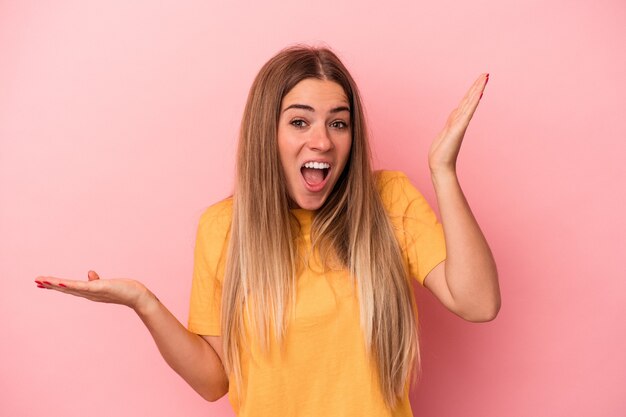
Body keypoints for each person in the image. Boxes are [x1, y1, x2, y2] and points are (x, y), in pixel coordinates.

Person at [35, 45, 500, 417]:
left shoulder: (387, 202)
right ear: (267, 133)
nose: (322, 140)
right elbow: (213, 382)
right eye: (300, 121)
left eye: (338, 123)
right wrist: (144, 302)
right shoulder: (222, 228)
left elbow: (478, 302)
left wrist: (443, 170)